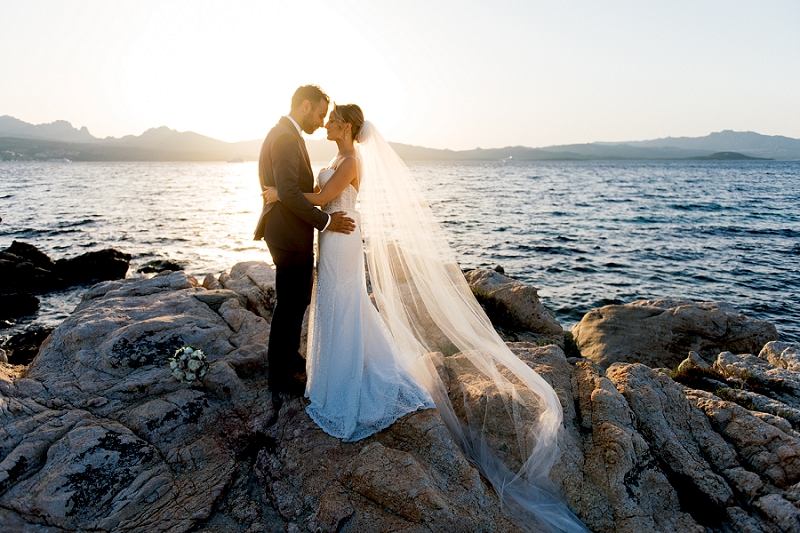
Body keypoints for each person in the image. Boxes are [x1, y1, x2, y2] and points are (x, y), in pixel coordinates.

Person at [264, 104, 588, 532]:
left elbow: (323, 199)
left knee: (346, 303)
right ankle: (326, 373)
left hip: (341, 237)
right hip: (332, 236)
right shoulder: (334, 157)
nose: (324, 123)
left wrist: (279, 197)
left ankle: (347, 376)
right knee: (331, 304)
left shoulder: (351, 160)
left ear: (345, 125)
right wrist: (296, 202)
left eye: (330, 119)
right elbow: (319, 198)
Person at [254, 85, 355, 397]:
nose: (322, 121)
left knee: (296, 300)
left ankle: (289, 359)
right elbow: (288, 192)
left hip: (288, 230)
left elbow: (288, 190)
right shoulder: (285, 137)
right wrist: (325, 221)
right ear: (306, 106)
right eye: (321, 114)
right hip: (287, 232)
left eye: (328, 116)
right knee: (289, 304)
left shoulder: (286, 133)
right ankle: (279, 376)